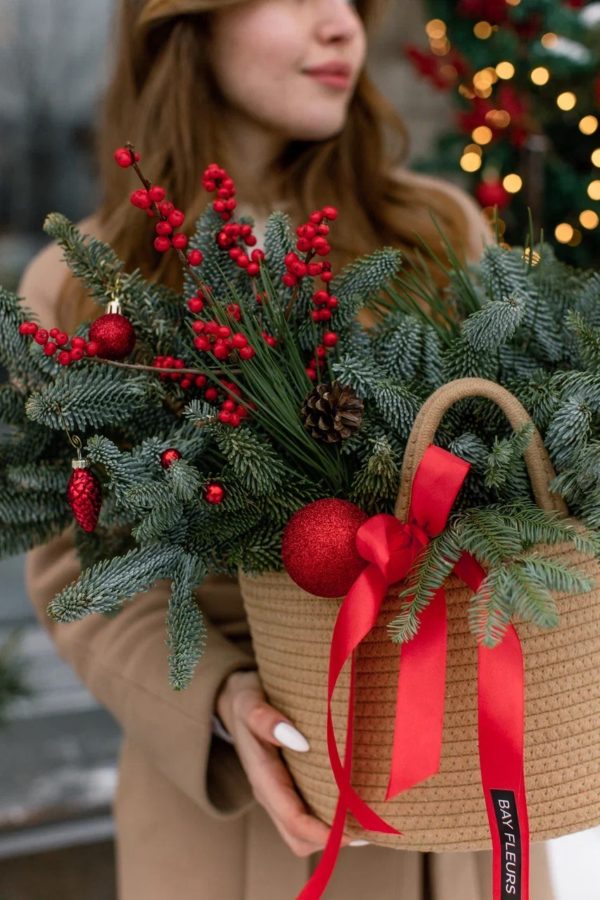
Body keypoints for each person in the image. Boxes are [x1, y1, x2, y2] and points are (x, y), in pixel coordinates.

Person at [18, 1, 558, 898]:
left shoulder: (435, 233)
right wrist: (223, 704)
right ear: (186, 23)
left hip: (462, 801)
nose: (343, 27)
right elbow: (84, 576)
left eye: (352, 0)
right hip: (249, 831)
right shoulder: (89, 295)